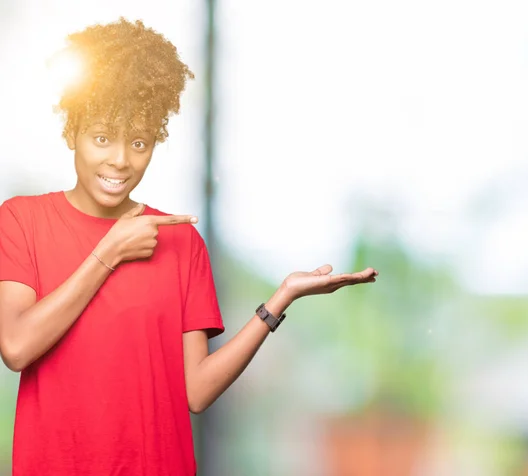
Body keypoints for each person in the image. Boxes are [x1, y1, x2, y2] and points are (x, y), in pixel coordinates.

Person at [0, 18, 378, 476]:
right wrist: (109, 252)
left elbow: (195, 392)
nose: (120, 160)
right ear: (71, 133)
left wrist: (282, 297)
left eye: (139, 142)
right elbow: (16, 346)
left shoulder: (179, 242)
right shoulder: (22, 219)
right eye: (102, 138)